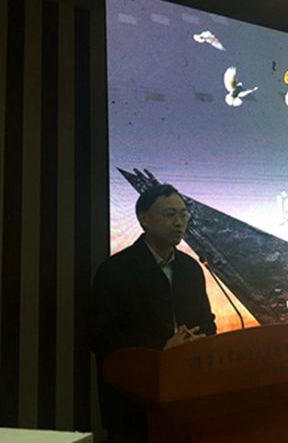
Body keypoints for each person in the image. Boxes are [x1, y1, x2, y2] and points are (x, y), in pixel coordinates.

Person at [88, 184, 216, 443]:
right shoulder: (115, 270)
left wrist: (197, 340)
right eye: (170, 215)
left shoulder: (190, 268)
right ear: (144, 219)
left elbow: (206, 322)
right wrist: (163, 347)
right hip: (133, 402)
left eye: (183, 214)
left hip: (186, 393)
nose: (179, 223)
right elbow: (100, 337)